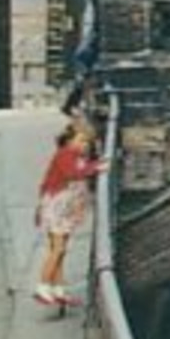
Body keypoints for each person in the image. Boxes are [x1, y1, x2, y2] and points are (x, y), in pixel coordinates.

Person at [35, 121, 108, 306]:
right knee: (57, 248)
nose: (85, 145)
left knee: (61, 250)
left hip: (65, 207)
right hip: (57, 206)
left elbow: (82, 166)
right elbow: (73, 173)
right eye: (81, 141)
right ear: (69, 140)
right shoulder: (65, 154)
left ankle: (58, 289)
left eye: (87, 142)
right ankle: (43, 285)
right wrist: (96, 168)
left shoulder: (76, 155)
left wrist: (96, 163)